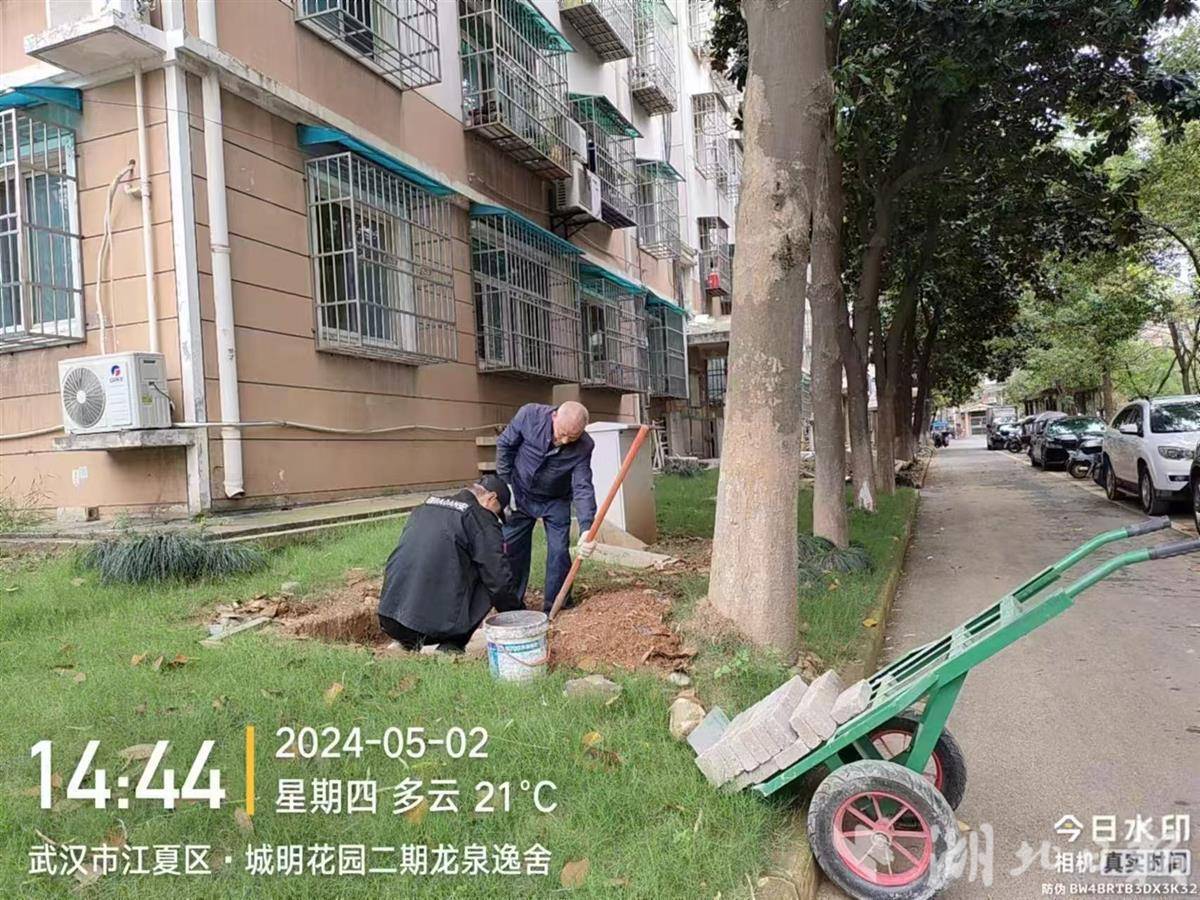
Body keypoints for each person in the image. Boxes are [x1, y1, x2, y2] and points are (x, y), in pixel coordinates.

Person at [377, 475, 521, 651]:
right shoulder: (481, 517)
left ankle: (404, 644)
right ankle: (451, 645)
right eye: (497, 513)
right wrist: (517, 615)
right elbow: (499, 579)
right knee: (489, 574)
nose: (494, 518)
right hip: (433, 628)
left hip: (389, 616)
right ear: (491, 498)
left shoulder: (425, 507)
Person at [496, 401, 598, 613]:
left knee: (559, 552)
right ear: (554, 416)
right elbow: (505, 445)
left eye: (572, 437)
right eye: (562, 434)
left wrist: (587, 527)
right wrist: (506, 485)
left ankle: (556, 606)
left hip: (555, 500)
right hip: (520, 493)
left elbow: (582, 486)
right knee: (511, 549)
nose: (565, 441)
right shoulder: (529, 415)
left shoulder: (584, 446)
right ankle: (511, 606)